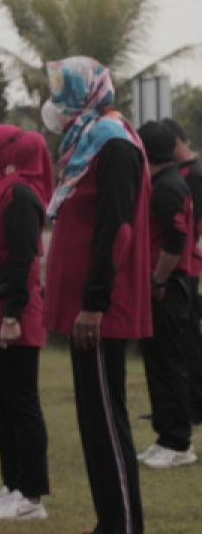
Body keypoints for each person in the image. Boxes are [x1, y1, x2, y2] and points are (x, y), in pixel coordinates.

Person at [42, 56, 151, 533]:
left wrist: (94, 303)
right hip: (88, 309)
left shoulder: (114, 144)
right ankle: (110, 520)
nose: (58, 108)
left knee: (107, 425)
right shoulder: (90, 141)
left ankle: (122, 524)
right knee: (93, 424)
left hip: (102, 310)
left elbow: (117, 229)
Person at [0, 125, 52, 520]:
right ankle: (12, 484)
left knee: (21, 404)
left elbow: (23, 261)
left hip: (10, 313)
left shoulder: (20, 195)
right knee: (0, 403)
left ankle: (32, 495)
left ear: (8, 154)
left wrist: (11, 316)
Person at [136, 120, 197, 468]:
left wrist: (158, 279)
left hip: (168, 287)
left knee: (169, 364)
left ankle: (177, 441)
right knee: (158, 363)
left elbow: (174, 241)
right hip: (165, 284)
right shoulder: (164, 183)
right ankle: (166, 435)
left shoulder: (167, 187)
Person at [162, 117, 202, 425]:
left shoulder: (194, 175)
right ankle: (179, 403)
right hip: (183, 262)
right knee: (178, 339)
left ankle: (194, 403)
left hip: (190, 263)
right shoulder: (180, 174)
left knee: (187, 336)